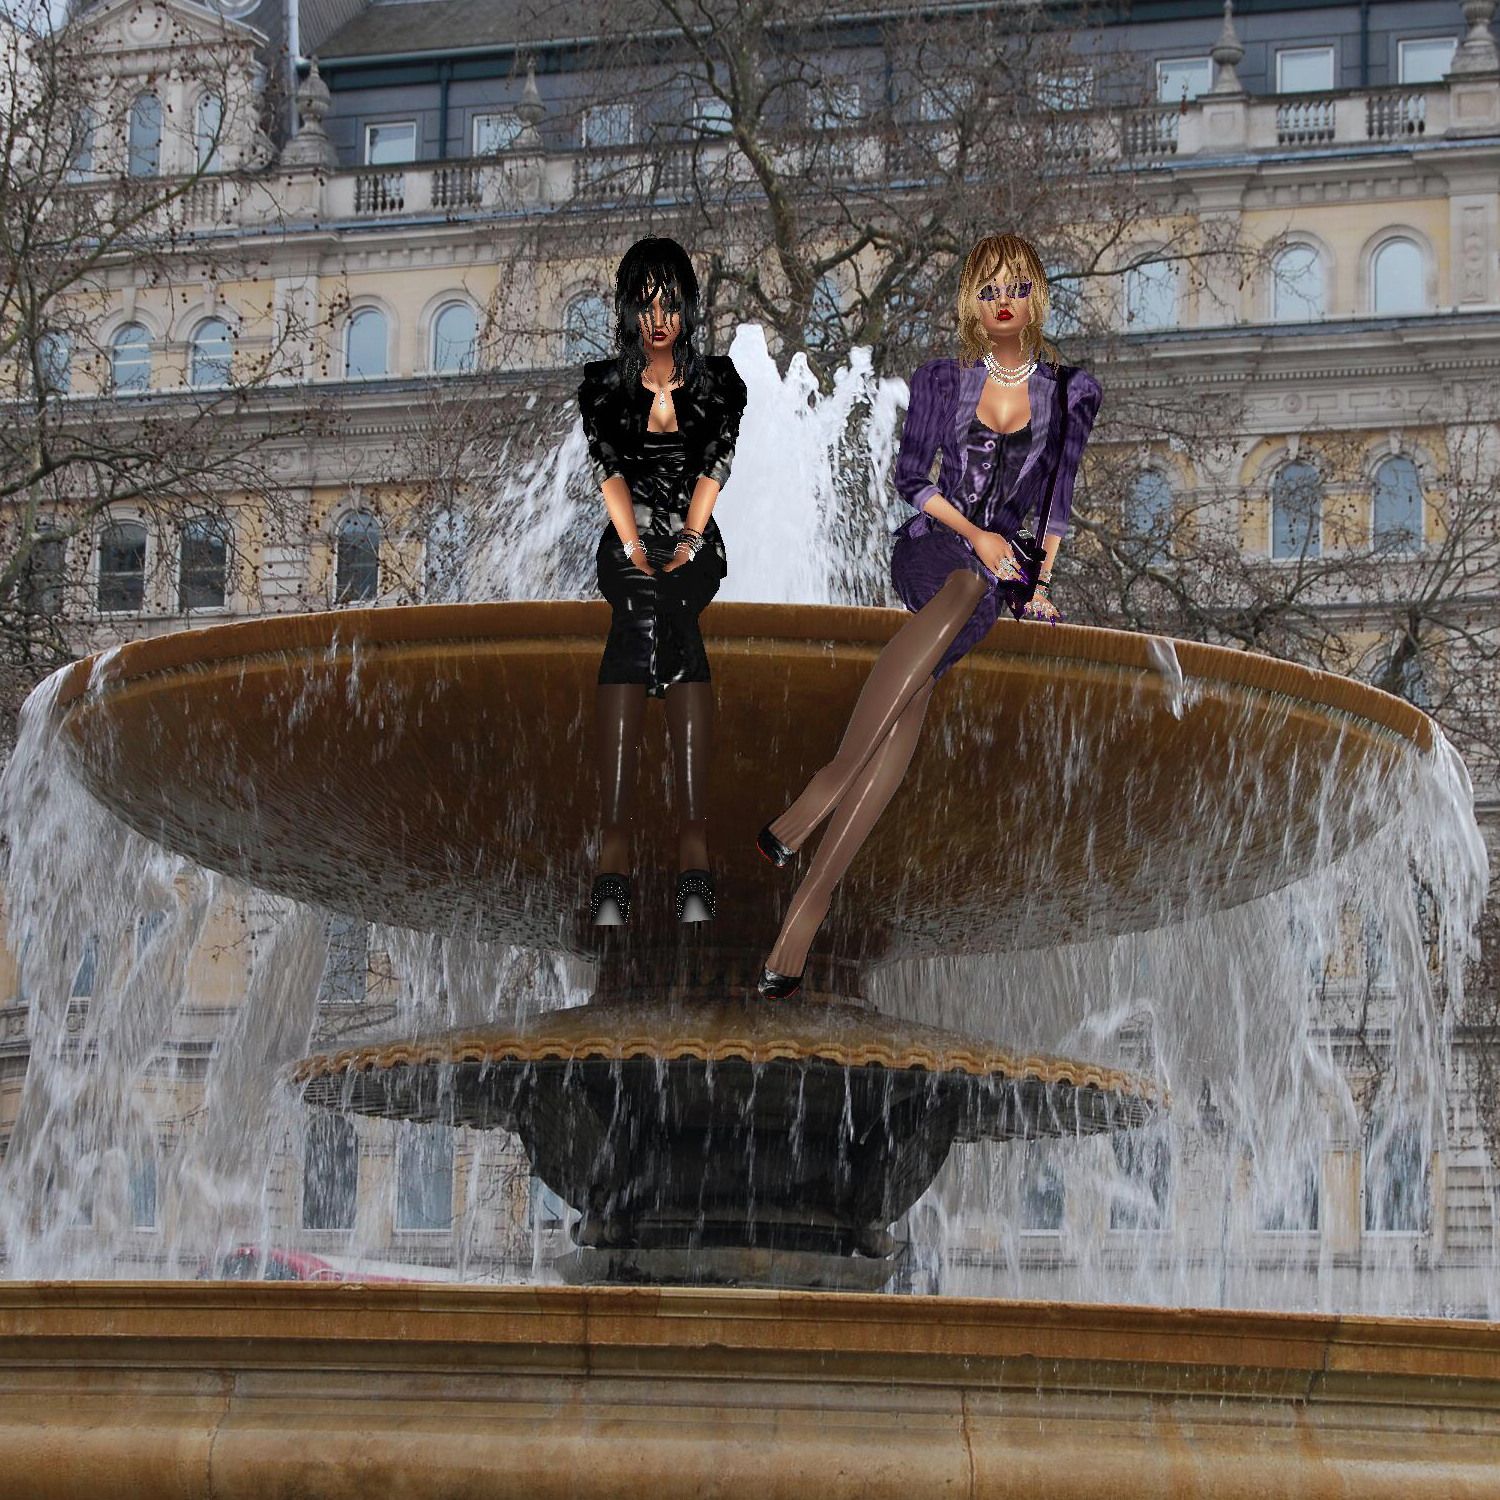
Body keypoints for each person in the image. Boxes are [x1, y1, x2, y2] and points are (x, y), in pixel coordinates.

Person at [754, 232, 1102, 998]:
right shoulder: (941, 380)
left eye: (1014, 285)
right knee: (966, 582)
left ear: (1036, 294)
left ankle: (805, 912)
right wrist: (977, 534)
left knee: (916, 698)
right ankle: (831, 779)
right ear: (970, 304)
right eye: (986, 289)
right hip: (933, 550)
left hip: (999, 579)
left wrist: (1038, 584)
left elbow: (1055, 507)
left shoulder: (1073, 391)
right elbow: (912, 478)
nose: (1001, 300)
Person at [579, 237, 747, 928]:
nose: (658, 318)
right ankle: (691, 844)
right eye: (645, 305)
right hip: (624, 540)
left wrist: (684, 541)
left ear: (688, 311)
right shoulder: (599, 384)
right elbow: (608, 474)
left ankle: (614, 850)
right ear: (626, 312)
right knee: (650, 601)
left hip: (694, 538)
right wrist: (633, 544)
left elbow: (715, 467)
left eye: (670, 304)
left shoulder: (721, 380)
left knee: (661, 602)